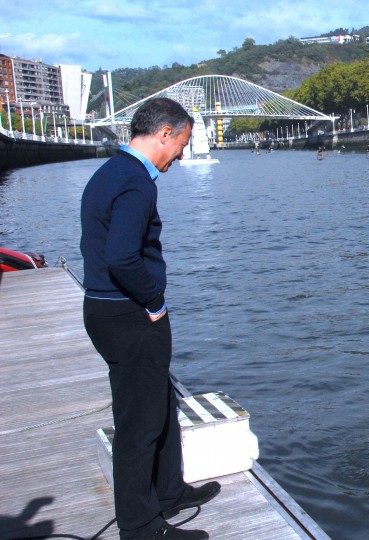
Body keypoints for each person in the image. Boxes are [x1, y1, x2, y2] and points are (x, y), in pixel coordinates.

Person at [80, 97, 220, 540]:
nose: (181, 154)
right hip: (129, 314)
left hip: (106, 308)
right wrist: (154, 300)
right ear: (164, 133)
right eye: (182, 142)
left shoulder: (110, 172)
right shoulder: (138, 184)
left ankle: (168, 491)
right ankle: (141, 526)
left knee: (159, 402)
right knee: (138, 422)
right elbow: (123, 257)